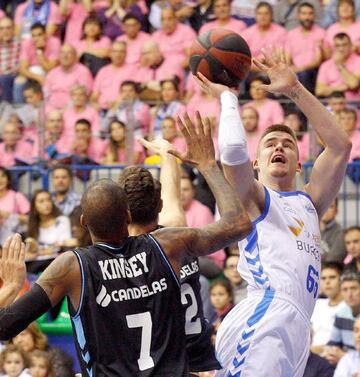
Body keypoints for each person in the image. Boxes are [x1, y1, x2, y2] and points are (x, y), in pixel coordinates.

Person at [0, 112, 252, 376]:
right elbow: (238, 224)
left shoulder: (72, 267)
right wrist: (209, 165)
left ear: (83, 222)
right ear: (128, 216)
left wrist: (12, 286)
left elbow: (4, 326)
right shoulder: (168, 243)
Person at [194, 44, 351, 376]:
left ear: (297, 165)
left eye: (288, 144)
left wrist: (295, 89)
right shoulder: (253, 196)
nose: (279, 146)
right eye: (270, 144)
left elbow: (340, 145)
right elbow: (233, 152)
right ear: (257, 163)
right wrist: (228, 98)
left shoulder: (310, 202)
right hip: (264, 312)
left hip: (296, 327)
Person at [118, 136, 222, 375]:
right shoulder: (179, 235)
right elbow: (173, 199)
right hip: (196, 360)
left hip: (160, 364)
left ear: (122, 212)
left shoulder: (120, 259)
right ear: (159, 205)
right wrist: (167, 154)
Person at [285, 2, 325, 93]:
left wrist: (300, 69)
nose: (307, 17)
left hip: (313, 71)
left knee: (303, 75)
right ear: (298, 15)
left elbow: (317, 61)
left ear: (314, 15)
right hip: (295, 70)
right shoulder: (291, 34)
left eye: (310, 13)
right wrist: (290, 68)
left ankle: (303, 105)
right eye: (304, 13)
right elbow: (287, 57)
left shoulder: (321, 32)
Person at [25, 189, 72, 260]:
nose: (46, 204)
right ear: (34, 207)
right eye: (41, 201)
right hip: (37, 264)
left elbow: (63, 246)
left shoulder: (62, 220)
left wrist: (38, 251)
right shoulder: (33, 225)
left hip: (57, 261)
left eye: (49, 200)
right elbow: (30, 251)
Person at [326, 271, 360, 365]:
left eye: (354, 288)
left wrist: (345, 357)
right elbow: (331, 344)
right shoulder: (341, 314)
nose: (349, 294)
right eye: (345, 289)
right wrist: (332, 352)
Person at [311, 262, 345, 354]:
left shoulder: (349, 307)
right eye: (323, 278)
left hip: (333, 359)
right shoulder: (317, 304)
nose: (327, 282)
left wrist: (309, 350)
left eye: (332, 277)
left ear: (342, 280)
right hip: (310, 359)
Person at [316, 33, 360, 101]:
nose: (341, 48)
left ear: (351, 45)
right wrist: (344, 87)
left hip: (353, 103)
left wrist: (339, 64)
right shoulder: (325, 65)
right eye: (337, 45)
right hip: (332, 105)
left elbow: (353, 84)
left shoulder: (358, 61)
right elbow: (319, 91)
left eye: (344, 45)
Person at [0, 234, 26, 308]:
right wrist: (11, 286)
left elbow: (25, 314)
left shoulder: (17, 277)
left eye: (1, 257)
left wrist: (12, 285)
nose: (2, 262)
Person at [0, 17, 21, 103]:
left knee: (4, 79)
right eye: (1, 29)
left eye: (8, 28)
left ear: (13, 29)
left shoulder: (20, 43)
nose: (5, 31)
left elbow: (24, 63)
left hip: (16, 75)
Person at [320, 199, 347, 263]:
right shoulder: (311, 229)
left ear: (336, 211)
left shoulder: (340, 233)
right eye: (323, 206)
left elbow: (333, 261)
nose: (325, 210)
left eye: (330, 206)